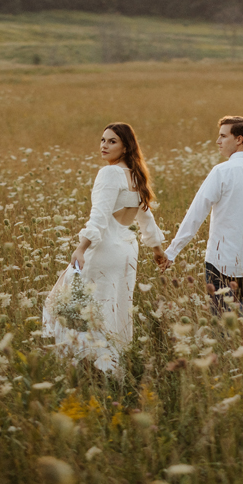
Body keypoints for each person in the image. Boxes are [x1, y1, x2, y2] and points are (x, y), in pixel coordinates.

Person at [44, 123, 166, 373]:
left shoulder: (110, 173)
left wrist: (81, 248)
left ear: (126, 146)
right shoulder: (136, 175)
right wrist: (157, 250)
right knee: (115, 307)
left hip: (104, 250)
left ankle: (84, 364)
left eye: (112, 141)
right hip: (126, 253)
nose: (104, 145)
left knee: (73, 305)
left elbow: (99, 217)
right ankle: (111, 364)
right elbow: (146, 218)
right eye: (103, 140)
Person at [158, 115, 243, 322]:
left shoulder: (221, 172)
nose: (218, 141)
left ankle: (236, 340)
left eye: (223, 136)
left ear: (238, 139)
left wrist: (172, 251)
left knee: (223, 321)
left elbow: (196, 214)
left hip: (221, 262)